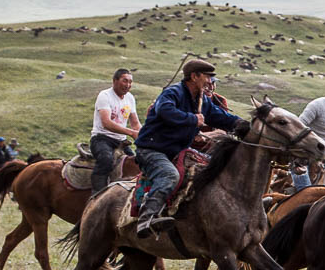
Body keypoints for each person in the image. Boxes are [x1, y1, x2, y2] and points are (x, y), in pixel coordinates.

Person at [134, 59, 246, 238]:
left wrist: (242, 124)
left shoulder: (201, 100)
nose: (210, 82)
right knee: (169, 175)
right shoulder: (173, 93)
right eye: (208, 77)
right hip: (152, 150)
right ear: (194, 76)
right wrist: (193, 119)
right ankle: (147, 219)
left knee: (211, 169)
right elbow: (165, 111)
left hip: (178, 151)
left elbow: (220, 116)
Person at [90, 68, 141, 194]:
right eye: (125, 81)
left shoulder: (130, 98)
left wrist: (144, 135)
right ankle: (97, 196)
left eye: (130, 82)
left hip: (121, 141)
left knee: (136, 163)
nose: (128, 85)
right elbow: (106, 123)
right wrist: (131, 133)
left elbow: (135, 123)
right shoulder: (105, 95)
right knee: (105, 160)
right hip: (102, 138)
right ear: (115, 81)